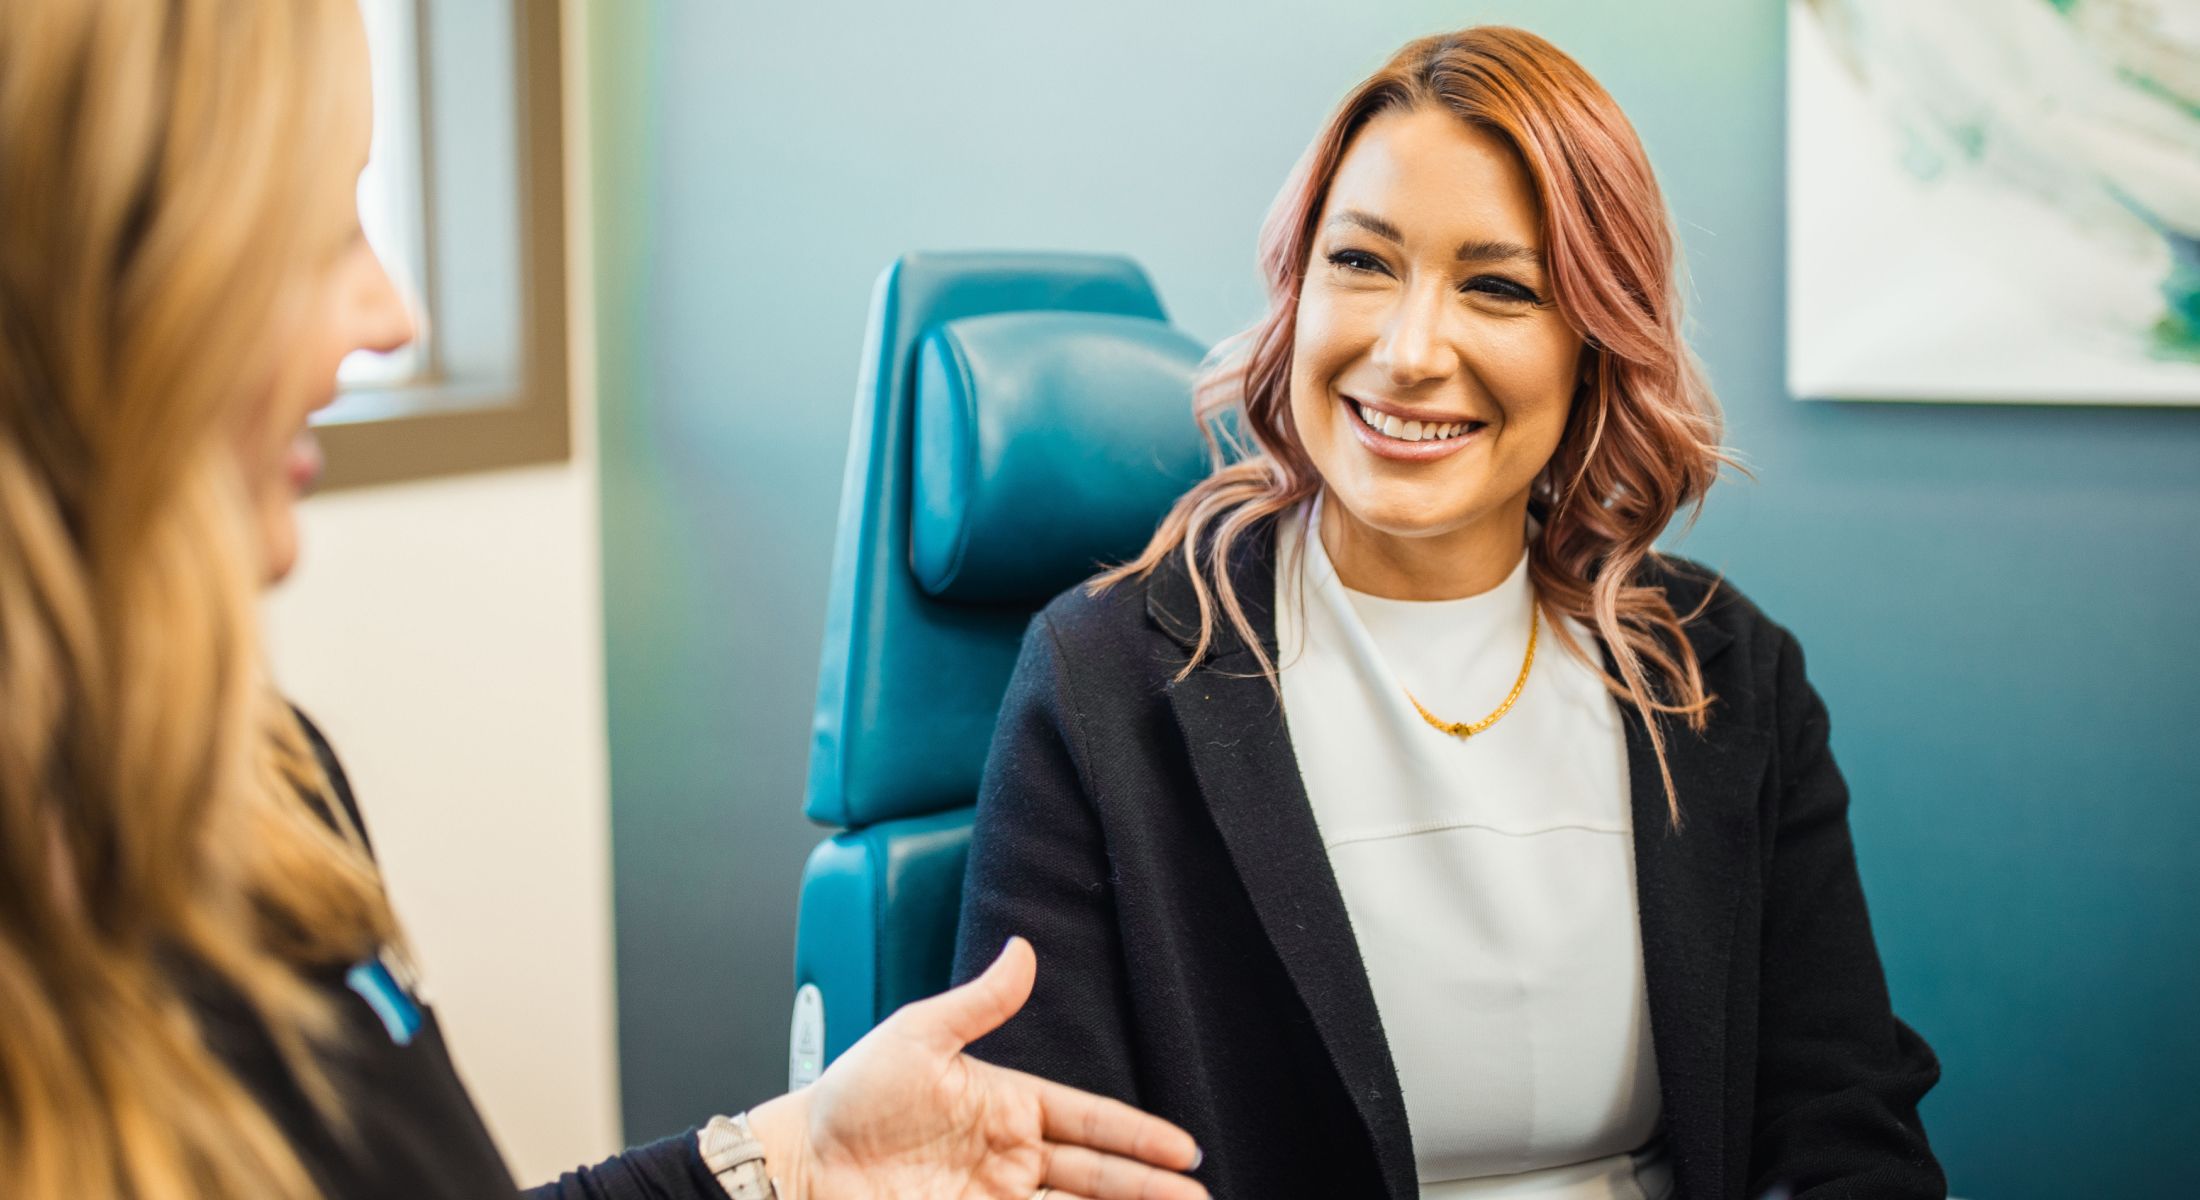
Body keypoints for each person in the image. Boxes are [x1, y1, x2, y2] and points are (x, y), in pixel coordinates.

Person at [0, 3, 1209, 1199]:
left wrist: (789, 1157)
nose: (392, 316)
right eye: (313, 234)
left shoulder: (258, 780)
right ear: (79, 282)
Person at [951, 25, 1944, 1200]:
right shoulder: (1107, 680)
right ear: (1296, 289)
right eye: (1362, 264)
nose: (1410, 349)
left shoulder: (1720, 672)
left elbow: (1841, 1130)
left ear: (1595, 345)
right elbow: (1038, 1160)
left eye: (1499, 288)